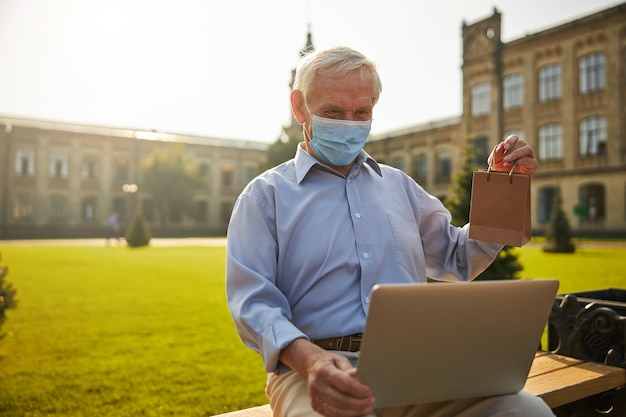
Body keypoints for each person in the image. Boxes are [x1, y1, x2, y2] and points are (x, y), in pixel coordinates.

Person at [226, 46, 550, 417]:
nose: (349, 123)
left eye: (361, 112)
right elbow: (252, 302)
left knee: (525, 411)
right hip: (312, 372)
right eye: (333, 112)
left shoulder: (399, 187)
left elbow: (459, 258)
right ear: (300, 107)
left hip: (414, 365)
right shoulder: (264, 197)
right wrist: (309, 360)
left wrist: (505, 186)